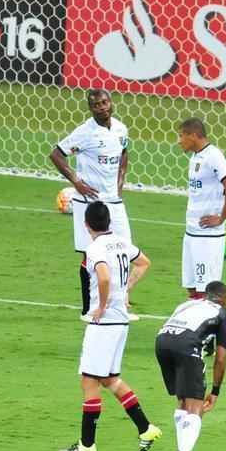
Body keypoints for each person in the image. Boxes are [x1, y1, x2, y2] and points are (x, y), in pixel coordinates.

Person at [59, 202, 161, 451]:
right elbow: (144, 263)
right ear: (109, 223)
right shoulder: (121, 241)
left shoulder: (94, 249)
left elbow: (103, 277)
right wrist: (125, 291)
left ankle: (87, 445)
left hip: (104, 324)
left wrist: (102, 306)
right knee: (109, 379)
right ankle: (146, 428)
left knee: (89, 380)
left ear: (87, 225)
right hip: (121, 322)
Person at [50, 90, 139, 320]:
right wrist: (77, 182)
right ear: (90, 109)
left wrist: (120, 182)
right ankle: (89, 308)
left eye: (105, 102)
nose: (102, 107)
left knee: (125, 252)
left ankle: (119, 305)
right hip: (89, 203)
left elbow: (124, 153)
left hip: (114, 202)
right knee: (91, 256)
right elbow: (57, 155)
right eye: (97, 105)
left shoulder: (120, 129)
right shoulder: (85, 132)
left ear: (111, 102)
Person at [154, 280, 226, 451]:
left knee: (183, 403)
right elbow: (221, 357)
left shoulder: (187, 304)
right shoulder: (223, 314)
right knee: (196, 405)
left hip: (162, 341)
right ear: (225, 299)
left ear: (206, 295)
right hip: (187, 344)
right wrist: (215, 391)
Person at [178, 118, 226, 300]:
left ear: (194, 135)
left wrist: (221, 218)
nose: (179, 140)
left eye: (182, 136)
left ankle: (216, 325)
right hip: (192, 232)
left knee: (207, 290)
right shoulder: (195, 157)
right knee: (191, 286)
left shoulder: (213, 156)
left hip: (208, 236)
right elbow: (222, 190)